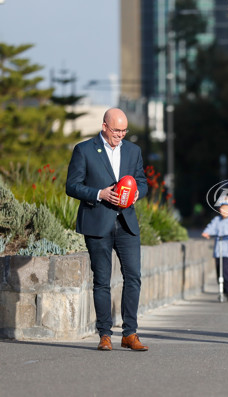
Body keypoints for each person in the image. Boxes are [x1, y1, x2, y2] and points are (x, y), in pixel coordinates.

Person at [66, 108, 149, 351]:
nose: (120, 135)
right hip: (97, 223)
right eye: (116, 130)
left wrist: (135, 195)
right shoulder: (84, 150)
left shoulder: (134, 151)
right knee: (102, 281)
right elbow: (72, 186)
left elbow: (142, 182)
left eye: (124, 131)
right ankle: (104, 334)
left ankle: (130, 334)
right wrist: (99, 194)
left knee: (133, 277)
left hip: (127, 224)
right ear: (104, 126)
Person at [202, 195, 228, 301]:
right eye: (221, 208)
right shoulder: (216, 220)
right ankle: (223, 290)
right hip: (218, 251)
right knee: (218, 271)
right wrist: (207, 233)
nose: (223, 210)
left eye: (226, 208)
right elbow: (210, 228)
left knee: (225, 270)